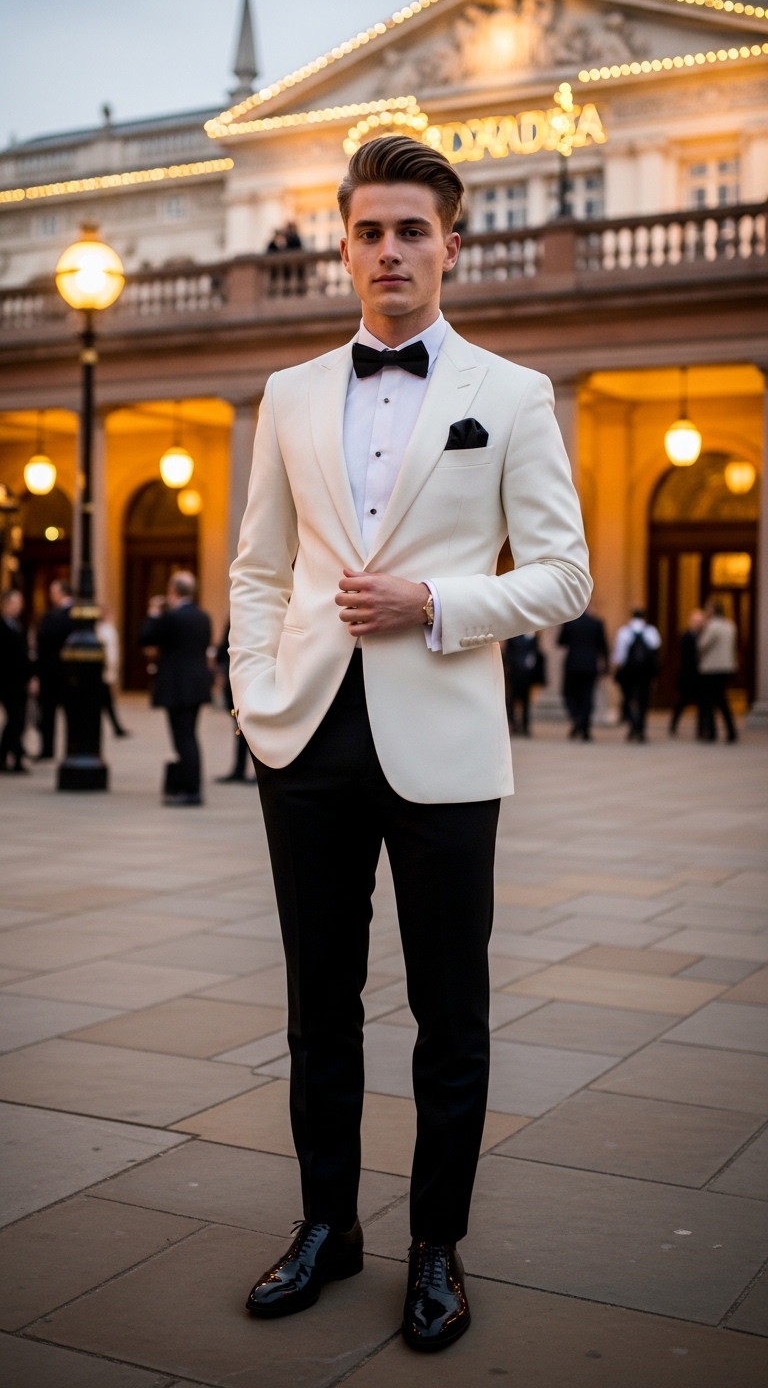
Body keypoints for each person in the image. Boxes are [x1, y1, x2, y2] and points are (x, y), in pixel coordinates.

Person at [230, 135, 590, 1352]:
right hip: (308, 735)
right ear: (343, 243)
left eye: (412, 231)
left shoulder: (512, 393)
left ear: (451, 242)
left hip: (442, 739)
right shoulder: (285, 396)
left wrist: (437, 605)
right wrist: (251, 697)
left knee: (453, 1009)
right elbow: (257, 568)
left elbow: (564, 576)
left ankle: (437, 1243)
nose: (390, 250)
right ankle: (329, 1225)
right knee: (316, 1005)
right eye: (369, 230)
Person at [139, 571, 212, 805]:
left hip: (177, 686)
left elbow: (146, 637)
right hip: (198, 684)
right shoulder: (203, 617)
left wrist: (153, 613)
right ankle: (190, 786)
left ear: (173, 591)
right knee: (190, 736)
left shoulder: (172, 617)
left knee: (183, 739)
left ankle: (191, 791)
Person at [34, 578, 73, 759]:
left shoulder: (65, 615)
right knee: (48, 713)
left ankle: (59, 749)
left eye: (53, 592)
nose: (51, 596)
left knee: (63, 712)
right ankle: (47, 749)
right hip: (53, 672)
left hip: (59, 671)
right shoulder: (52, 614)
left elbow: (45, 640)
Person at [559, 606, 608, 741]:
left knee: (569, 694)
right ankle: (584, 727)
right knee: (587, 696)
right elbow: (604, 646)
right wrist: (606, 666)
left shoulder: (570, 623)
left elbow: (561, 641)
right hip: (590, 665)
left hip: (573, 664)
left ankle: (577, 720)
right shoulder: (596, 623)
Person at [215, 619, 256, 782]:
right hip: (235, 675)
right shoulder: (235, 616)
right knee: (240, 727)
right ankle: (239, 769)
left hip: (250, 675)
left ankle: (256, 771)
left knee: (252, 726)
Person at [613, 608, 661, 742]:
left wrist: (617, 668)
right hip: (645, 672)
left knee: (628, 698)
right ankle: (640, 727)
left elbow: (619, 654)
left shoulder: (624, 632)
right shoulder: (651, 631)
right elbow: (655, 652)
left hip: (629, 671)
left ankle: (633, 724)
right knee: (643, 700)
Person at [0, 588, 31, 773]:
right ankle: (9, 755)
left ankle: (13, 756)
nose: (18, 607)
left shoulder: (19, 625)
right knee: (15, 719)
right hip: (7, 681)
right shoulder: (3, 626)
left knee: (18, 720)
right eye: (14, 603)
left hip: (20, 681)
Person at [697, 598, 738, 742]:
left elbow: (702, 645)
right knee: (721, 699)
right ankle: (731, 731)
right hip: (726, 667)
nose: (705, 612)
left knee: (710, 701)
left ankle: (711, 732)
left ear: (713, 611)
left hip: (712, 668)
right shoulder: (730, 625)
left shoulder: (712, 626)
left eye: (707, 609)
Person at [669, 608, 704, 737]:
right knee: (682, 701)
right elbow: (684, 656)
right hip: (688, 675)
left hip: (700, 676)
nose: (698, 623)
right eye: (695, 621)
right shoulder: (686, 636)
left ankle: (701, 729)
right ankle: (673, 725)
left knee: (702, 704)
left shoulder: (704, 635)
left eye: (700, 621)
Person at [96, 607, 129, 738]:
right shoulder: (106, 630)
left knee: (106, 700)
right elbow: (110, 653)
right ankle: (117, 727)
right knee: (106, 700)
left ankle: (117, 727)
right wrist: (111, 668)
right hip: (104, 670)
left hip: (106, 670)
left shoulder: (106, 629)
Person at [503, 632, 541, 736]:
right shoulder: (513, 637)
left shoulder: (533, 637)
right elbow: (508, 653)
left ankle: (525, 725)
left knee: (526, 701)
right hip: (515, 673)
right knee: (512, 699)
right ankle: (513, 724)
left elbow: (535, 653)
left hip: (527, 675)